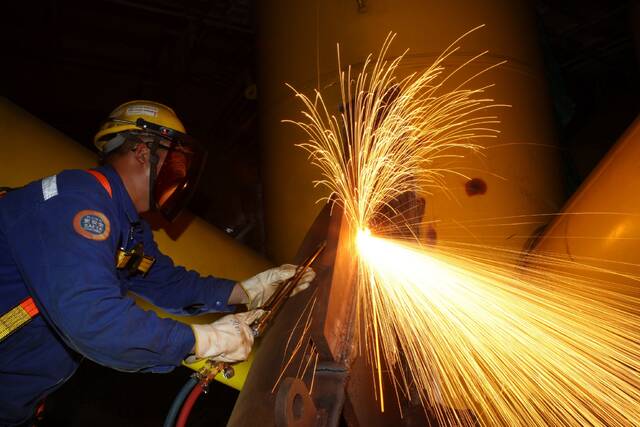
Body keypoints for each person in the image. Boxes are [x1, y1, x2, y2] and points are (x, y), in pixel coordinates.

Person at [0, 100, 315, 426]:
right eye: (175, 163)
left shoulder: (128, 228)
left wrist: (246, 291)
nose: (180, 177)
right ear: (141, 152)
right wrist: (199, 341)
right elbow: (93, 319)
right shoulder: (75, 200)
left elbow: (167, 283)